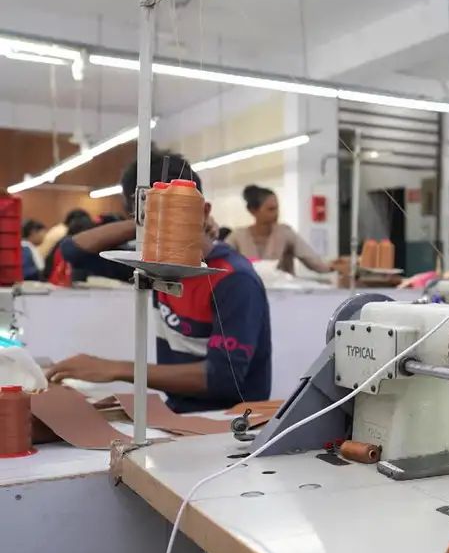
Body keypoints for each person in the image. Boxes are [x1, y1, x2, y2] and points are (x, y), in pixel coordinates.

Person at [47, 152, 273, 414]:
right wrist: (141, 222)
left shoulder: (233, 279)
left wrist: (116, 369)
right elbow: (73, 252)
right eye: (151, 217)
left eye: (175, 214)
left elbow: (223, 378)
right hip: (178, 412)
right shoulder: (153, 266)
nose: (162, 226)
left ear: (204, 211)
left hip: (231, 421)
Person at [225, 185, 334, 275]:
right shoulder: (238, 237)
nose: (276, 214)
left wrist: (335, 266)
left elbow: (315, 263)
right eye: (270, 209)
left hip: (282, 293)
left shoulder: (285, 233)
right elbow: (221, 261)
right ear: (253, 211)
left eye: (277, 208)